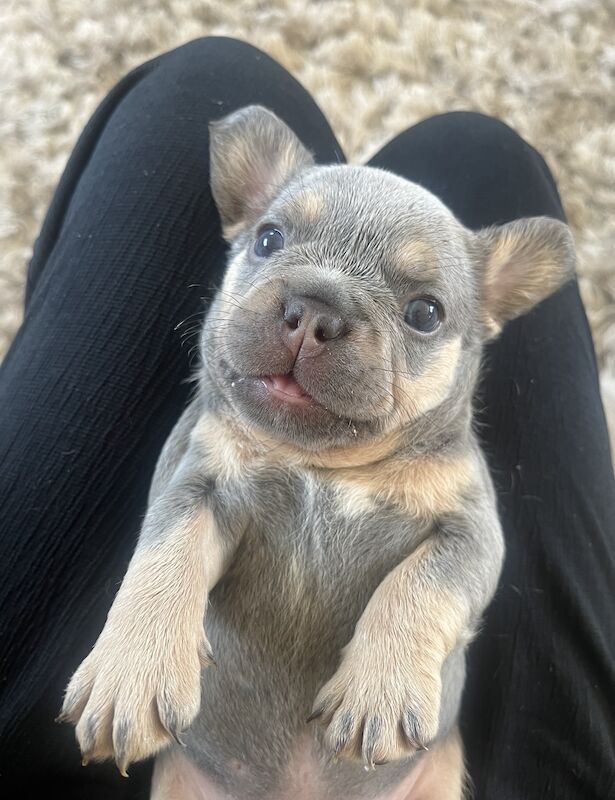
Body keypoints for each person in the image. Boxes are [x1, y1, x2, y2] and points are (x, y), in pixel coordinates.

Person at [0, 37, 613, 800]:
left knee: (210, 75)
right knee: (482, 152)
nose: (310, 321)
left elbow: (468, 544)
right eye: (271, 239)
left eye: (421, 311)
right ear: (241, 218)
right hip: (201, 772)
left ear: (488, 312)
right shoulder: (224, 432)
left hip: (408, 780)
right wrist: (146, 622)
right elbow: (190, 509)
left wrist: (407, 636)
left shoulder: (440, 465)